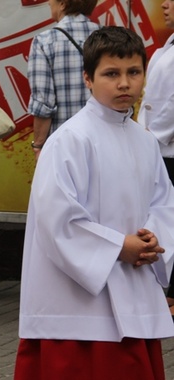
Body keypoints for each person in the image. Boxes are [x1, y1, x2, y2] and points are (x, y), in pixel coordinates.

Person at [12, 26, 174, 380]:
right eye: (111, 73)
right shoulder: (69, 139)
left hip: (132, 287)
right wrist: (120, 246)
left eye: (134, 72)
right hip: (78, 308)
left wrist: (155, 240)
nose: (125, 83)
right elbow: (57, 219)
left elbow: (164, 204)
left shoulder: (145, 141)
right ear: (87, 78)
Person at [138, 0, 174, 320]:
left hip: (168, 150)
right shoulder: (165, 48)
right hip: (157, 149)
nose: (164, 4)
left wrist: (151, 138)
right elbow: (150, 100)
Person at [28, 0, 99, 158]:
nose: (48, 3)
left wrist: (38, 144)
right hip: (105, 141)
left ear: (63, 4)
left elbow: (43, 102)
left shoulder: (44, 42)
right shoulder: (108, 38)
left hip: (65, 146)